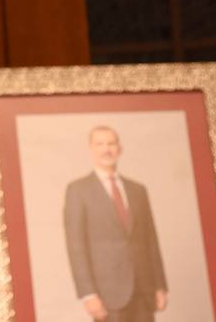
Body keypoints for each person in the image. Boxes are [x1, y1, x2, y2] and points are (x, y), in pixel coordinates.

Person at [63, 126, 168, 321]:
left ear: (119, 148)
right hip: (107, 294)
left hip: (144, 291)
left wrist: (160, 286)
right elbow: (76, 246)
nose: (106, 149)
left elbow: (150, 240)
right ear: (91, 149)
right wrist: (89, 294)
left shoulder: (138, 190)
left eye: (111, 143)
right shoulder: (78, 190)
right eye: (100, 144)